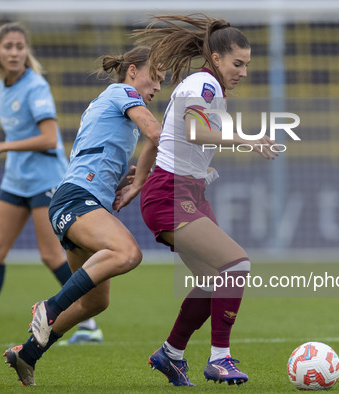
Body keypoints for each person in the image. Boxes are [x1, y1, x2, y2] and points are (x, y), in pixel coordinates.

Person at [3, 45, 165, 386]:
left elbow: (93, 156)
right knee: (128, 253)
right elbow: (157, 133)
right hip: (77, 199)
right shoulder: (123, 92)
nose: (158, 88)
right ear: (133, 71)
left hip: (78, 199)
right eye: (156, 77)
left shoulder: (109, 104)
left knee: (95, 302)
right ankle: (49, 307)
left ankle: (28, 353)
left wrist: (126, 179)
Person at [134, 14, 276, 386]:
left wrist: (138, 181)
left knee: (216, 280)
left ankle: (170, 354)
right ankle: (220, 358)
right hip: (171, 193)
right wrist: (248, 139)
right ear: (215, 57)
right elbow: (196, 131)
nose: (243, 71)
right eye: (237, 63)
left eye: (247, 64)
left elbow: (167, 136)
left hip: (185, 191)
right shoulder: (204, 85)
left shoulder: (204, 86)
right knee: (237, 265)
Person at [0, 22, 101, 346]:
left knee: (51, 256)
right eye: (8, 46)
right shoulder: (3, 84)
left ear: (26, 52)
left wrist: (0, 146)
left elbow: (48, 138)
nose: (14, 52)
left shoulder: (35, 86)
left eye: (19, 46)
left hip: (46, 181)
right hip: (15, 180)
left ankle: (88, 321)